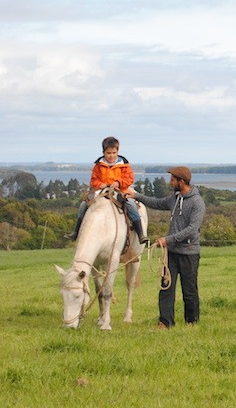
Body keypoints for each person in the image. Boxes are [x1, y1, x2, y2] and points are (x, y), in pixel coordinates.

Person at [127, 166, 206, 329]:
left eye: (173, 180)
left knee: (189, 290)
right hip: (171, 253)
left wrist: (167, 240)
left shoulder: (197, 202)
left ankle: (192, 322)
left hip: (189, 253)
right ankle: (165, 322)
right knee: (166, 287)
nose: (170, 182)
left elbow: (192, 229)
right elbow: (156, 203)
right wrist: (136, 196)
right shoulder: (175, 198)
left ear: (181, 182)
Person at [65, 136, 148, 244]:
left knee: (131, 205)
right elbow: (94, 180)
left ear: (117, 151)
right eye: (108, 153)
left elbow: (129, 178)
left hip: (120, 190)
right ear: (103, 152)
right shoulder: (98, 166)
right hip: (102, 191)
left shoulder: (124, 165)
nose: (111, 156)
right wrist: (100, 184)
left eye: (114, 153)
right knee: (83, 205)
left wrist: (118, 183)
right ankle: (76, 232)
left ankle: (140, 233)